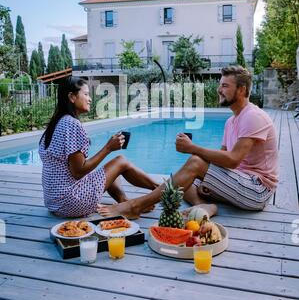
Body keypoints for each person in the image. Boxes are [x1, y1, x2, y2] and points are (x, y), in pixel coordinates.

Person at [98, 65, 279, 219]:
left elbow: (232, 160)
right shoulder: (231, 121)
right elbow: (221, 158)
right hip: (238, 182)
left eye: (225, 86)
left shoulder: (253, 116)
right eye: (220, 85)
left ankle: (134, 206)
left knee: (194, 163)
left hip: (257, 190)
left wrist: (192, 149)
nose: (219, 90)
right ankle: (204, 205)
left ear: (241, 89)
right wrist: (206, 180)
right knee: (182, 181)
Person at [39, 76, 158, 218]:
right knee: (120, 161)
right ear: (72, 97)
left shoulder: (57, 123)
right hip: (70, 202)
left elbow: (74, 169)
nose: (90, 99)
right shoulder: (72, 124)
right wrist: (108, 148)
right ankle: (160, 190)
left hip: (54, 203)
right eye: (86, 94)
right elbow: (78, 172)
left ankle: (123, 201)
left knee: (107, 168)